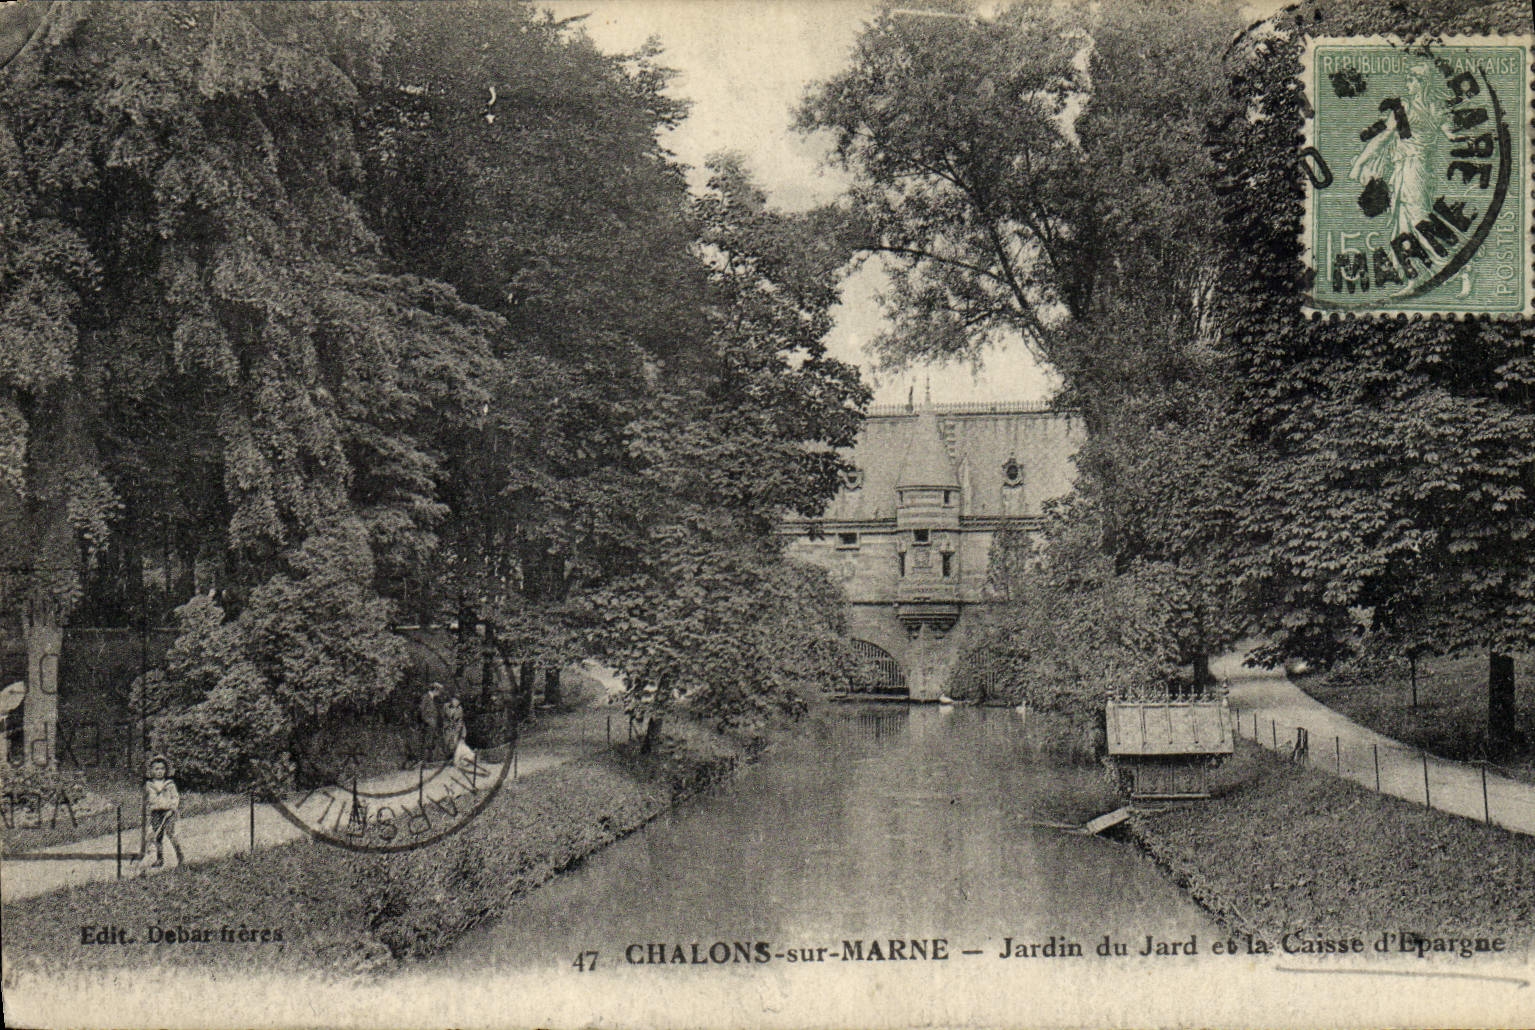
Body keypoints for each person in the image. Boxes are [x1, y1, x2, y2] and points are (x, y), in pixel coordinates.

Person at [143, 755, 184, 869]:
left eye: (162, 769)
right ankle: (159, 859)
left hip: (168, 812)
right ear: (151, 771)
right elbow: (147, 800)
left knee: (171, 834)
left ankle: (180, 856)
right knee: (157, 836)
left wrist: (172, 809)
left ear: (166, 770)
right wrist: (149, 810)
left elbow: (175, 798)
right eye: (156, 769)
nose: (160, 771)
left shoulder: (169, 784)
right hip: (156, 813)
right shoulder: (149, 785)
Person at [417, 682, 444, 764]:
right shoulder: (426, 697)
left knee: (431, 741)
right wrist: (428, 721)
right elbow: (422, 711)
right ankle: (424, 760)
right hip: (428, 724)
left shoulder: (432, 698)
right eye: (439, 691)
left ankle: (429, 760)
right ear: (435, 690)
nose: (439, 693)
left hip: (432, 723)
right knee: (427, 741)